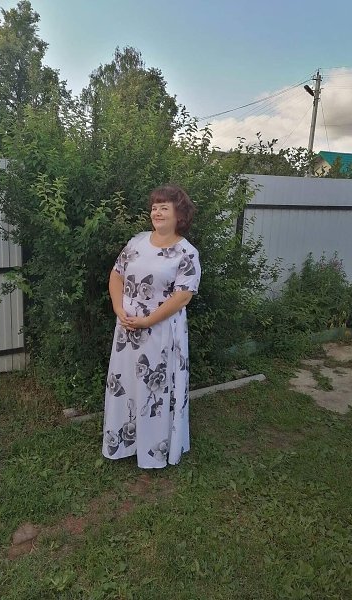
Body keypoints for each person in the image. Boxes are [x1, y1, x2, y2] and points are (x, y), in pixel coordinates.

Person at [102, 184, 201, 469]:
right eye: (154, 207)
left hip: (161, 332)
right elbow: (116, 275)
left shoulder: (186, 253)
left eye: (164, 208)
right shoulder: (137, 242)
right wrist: (119, 308)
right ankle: (125, 443)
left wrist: (147, 320)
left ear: (179, 215)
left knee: (154, 389)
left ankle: (153, 451)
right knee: (126, 384)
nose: (156, 212)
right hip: (127, 329)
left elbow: (183, 296)